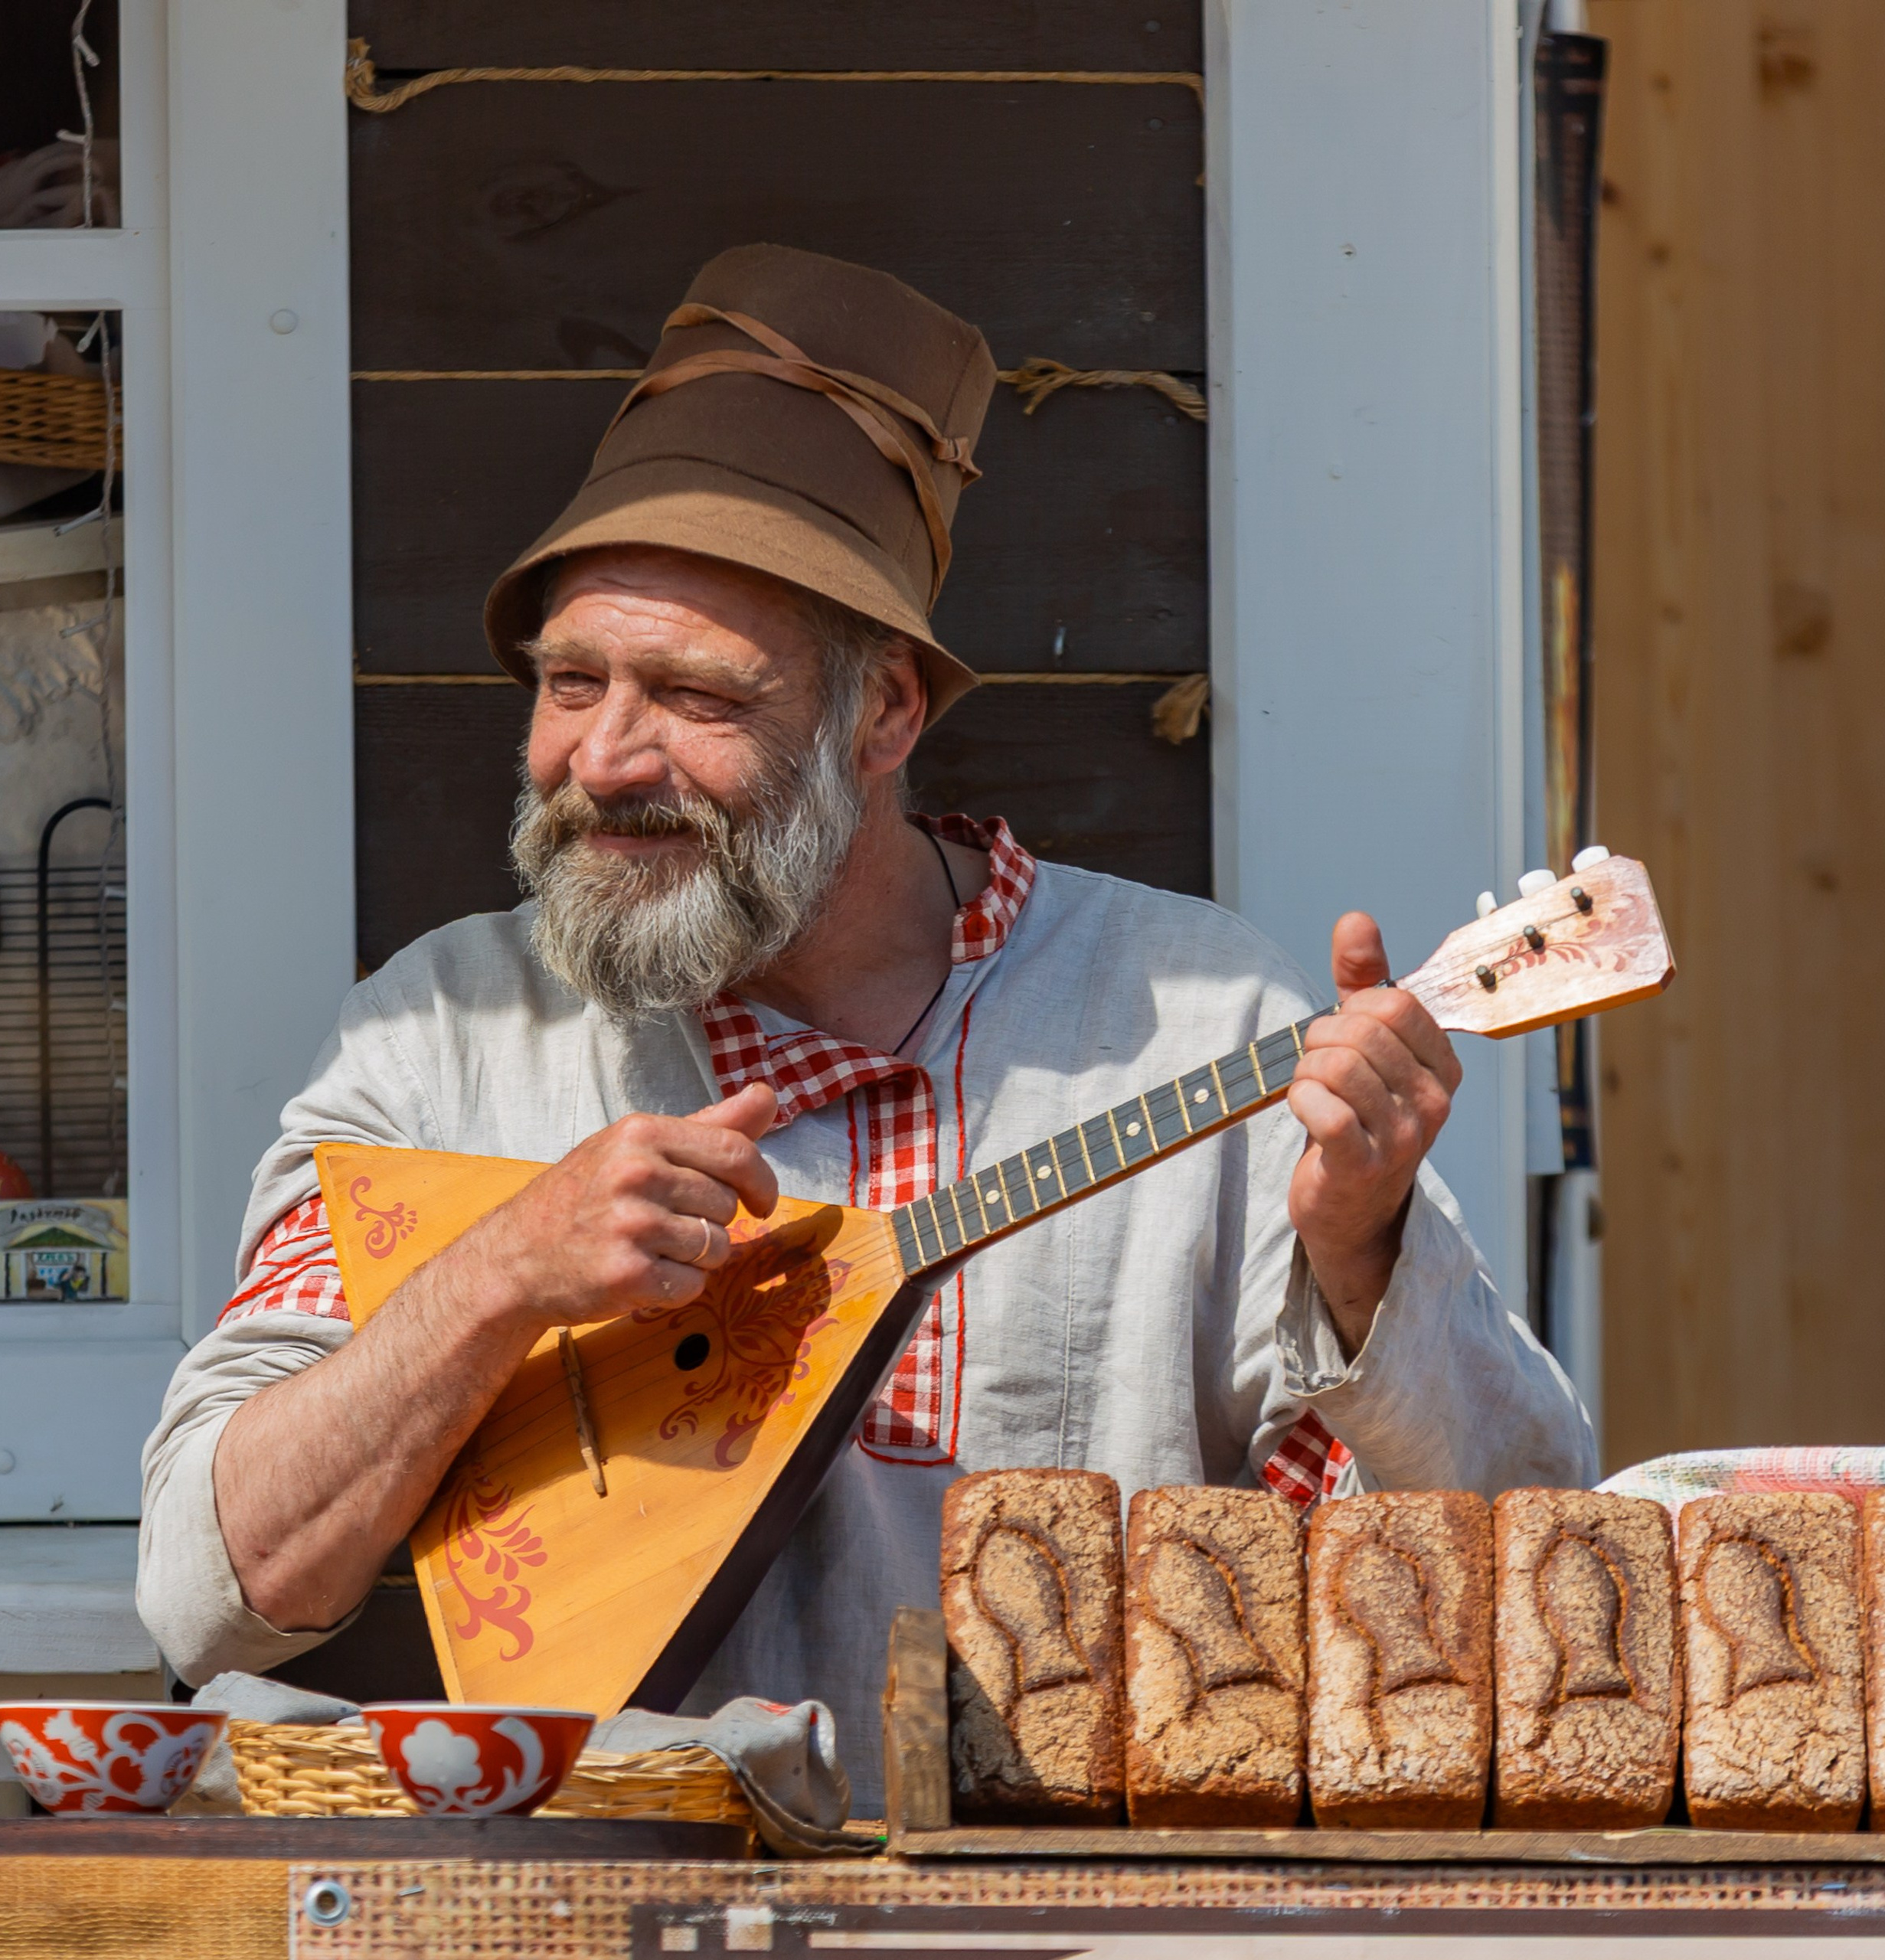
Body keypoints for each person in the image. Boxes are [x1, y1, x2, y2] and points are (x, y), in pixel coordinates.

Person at [138, 245, 1592, 1806]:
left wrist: (1367, 1254)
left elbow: (1520, 1543)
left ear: (884, 713)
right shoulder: (433, 1041)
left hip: (1044, 1921)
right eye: (570, 680)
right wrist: (495, 1278)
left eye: (693, 696)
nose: (605, 756)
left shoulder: (1190, 1021)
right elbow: (208, 1582)